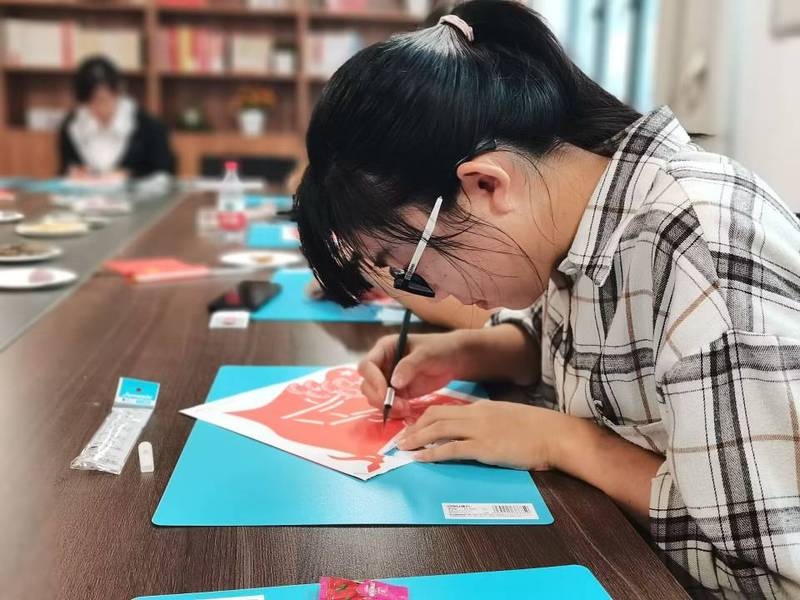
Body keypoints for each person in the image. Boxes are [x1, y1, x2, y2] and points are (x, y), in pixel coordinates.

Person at [291, 1, 800, 597]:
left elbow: (768, 552)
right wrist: (464, 354)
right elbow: (583, 347)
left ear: (485, 185)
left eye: (411, 267)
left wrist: (566, 442)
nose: (433, 293)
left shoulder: (694, 240)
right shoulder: (578, 223)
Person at [58, 56, 175, 180]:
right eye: (89, 103)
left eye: (103, 100)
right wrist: (75, 174)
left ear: (119, 91)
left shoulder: (150, 127)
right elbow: (65, 169)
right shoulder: (72, 127)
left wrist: (128, 176)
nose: (98, 109)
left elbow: (164, 173)